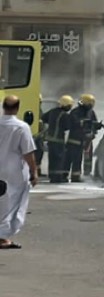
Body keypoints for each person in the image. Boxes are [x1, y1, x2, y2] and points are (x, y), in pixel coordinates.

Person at [0, 94, 39, 250]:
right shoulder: (21, 127)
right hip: (13, 172)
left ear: (3, 107)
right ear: (17, 108)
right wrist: (34, 172)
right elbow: (28, 152)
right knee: (11, 204)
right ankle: (2, 237)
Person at [42, 95, 74, 183]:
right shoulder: (64, 115)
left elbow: (43, 118)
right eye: (69, 106)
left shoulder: (52, 111)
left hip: (50, 140)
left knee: (52, 158)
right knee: (59, 159)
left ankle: (52, 176)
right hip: (59, 140)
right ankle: (57, 177)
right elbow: (67, 127)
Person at [73, 93, 104, 177]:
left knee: (88, 157)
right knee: (77, 157)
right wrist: (84, 123)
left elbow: (94, 122)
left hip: (88, 139)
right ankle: (76, 173)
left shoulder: (91, 112)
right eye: (90, 103)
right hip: (78, 139)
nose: (91, 105)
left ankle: (87, 172)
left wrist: (97, 126)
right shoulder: (76, 112)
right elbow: (74, 124)